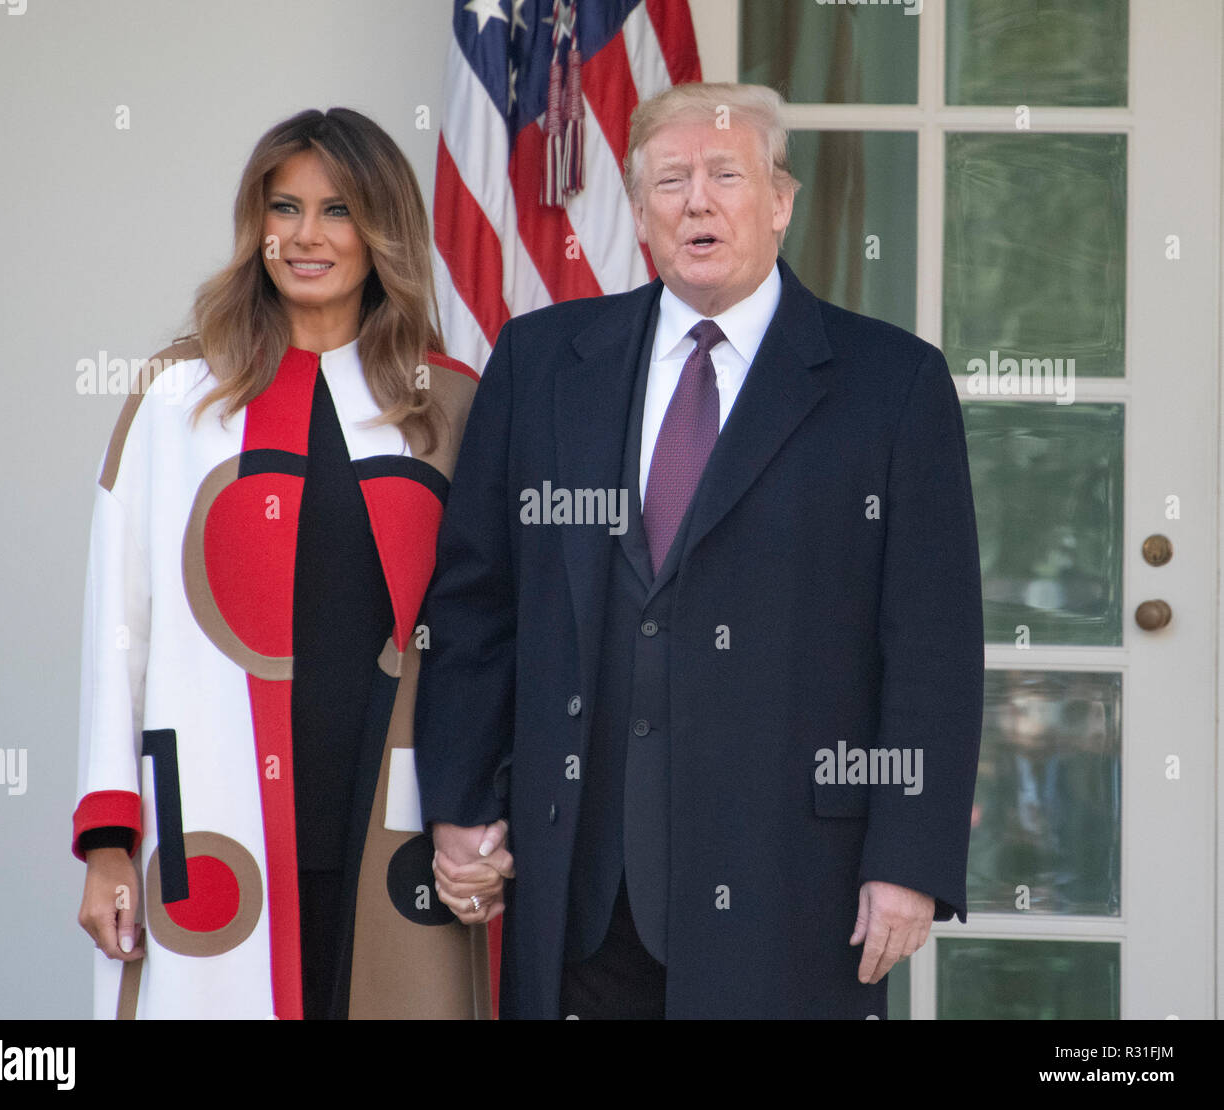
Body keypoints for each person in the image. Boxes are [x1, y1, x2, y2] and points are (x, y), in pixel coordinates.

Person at [415, 82, 984, 1019]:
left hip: (798, 892)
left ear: (782, 201)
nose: (697, 201)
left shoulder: (893, 384)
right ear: (638, 212)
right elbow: (478, 604)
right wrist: (463, 803)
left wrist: (908, 860)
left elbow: (932, 646)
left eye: (726, 174)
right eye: (670, 180)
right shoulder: (542, 361)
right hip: (581, 897)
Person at [72, 107, 508, 1019]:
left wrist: (492, 811)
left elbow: (496, 635)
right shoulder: (178, 398)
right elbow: (119, 624)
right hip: (217, 816)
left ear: (382, 230)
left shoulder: (451, 404)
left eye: (339, 210)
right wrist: (109, 839)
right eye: (285, 207)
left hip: (395, 819)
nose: (307, 235)